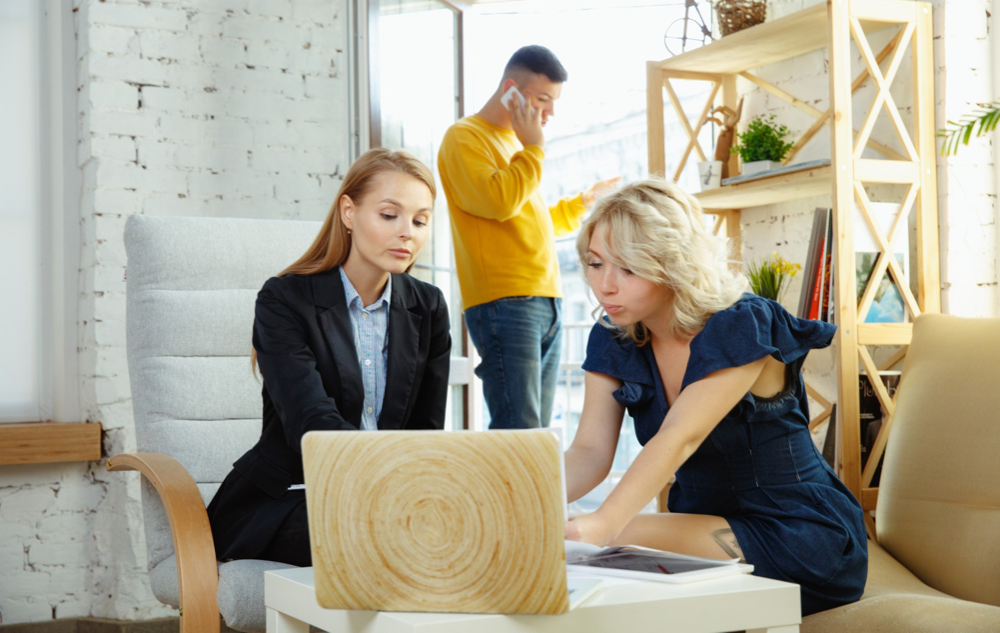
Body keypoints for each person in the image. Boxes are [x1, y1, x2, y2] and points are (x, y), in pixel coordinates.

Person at [563, 179, 867, 615]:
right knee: (575, 546)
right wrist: (515, 502)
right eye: (595, 264)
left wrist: (599, 524)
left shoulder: (740, 324)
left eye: (628, 269)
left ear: (672, 263)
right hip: (703, 523)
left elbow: (680, 437)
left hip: (800, 532)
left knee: (609, 539)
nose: (605, 285)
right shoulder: (616, 335)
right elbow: (589, 453)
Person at [207, 148, 451, 567]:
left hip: (387, 505)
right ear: (349, 212)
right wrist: (385, 495)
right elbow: (311, 422)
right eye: (389, 215)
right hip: (284, 501)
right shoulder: (283, 299)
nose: (407, 232)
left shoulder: (427, 307)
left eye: (420, 220)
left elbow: (423, 433)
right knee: (383, 532)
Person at [438, 44, 619, 429]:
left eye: (553, 102)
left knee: (534, 430)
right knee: (518, 430)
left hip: (544, 298)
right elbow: (499, 201)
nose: (549, 112)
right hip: (505, 300)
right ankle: (501, 493)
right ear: (511, 90)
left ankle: (532, 493)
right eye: (542, 99)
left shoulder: (516, 147)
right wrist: (534, 148)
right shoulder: (465, 137)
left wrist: (581, 204)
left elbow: (529, 220)